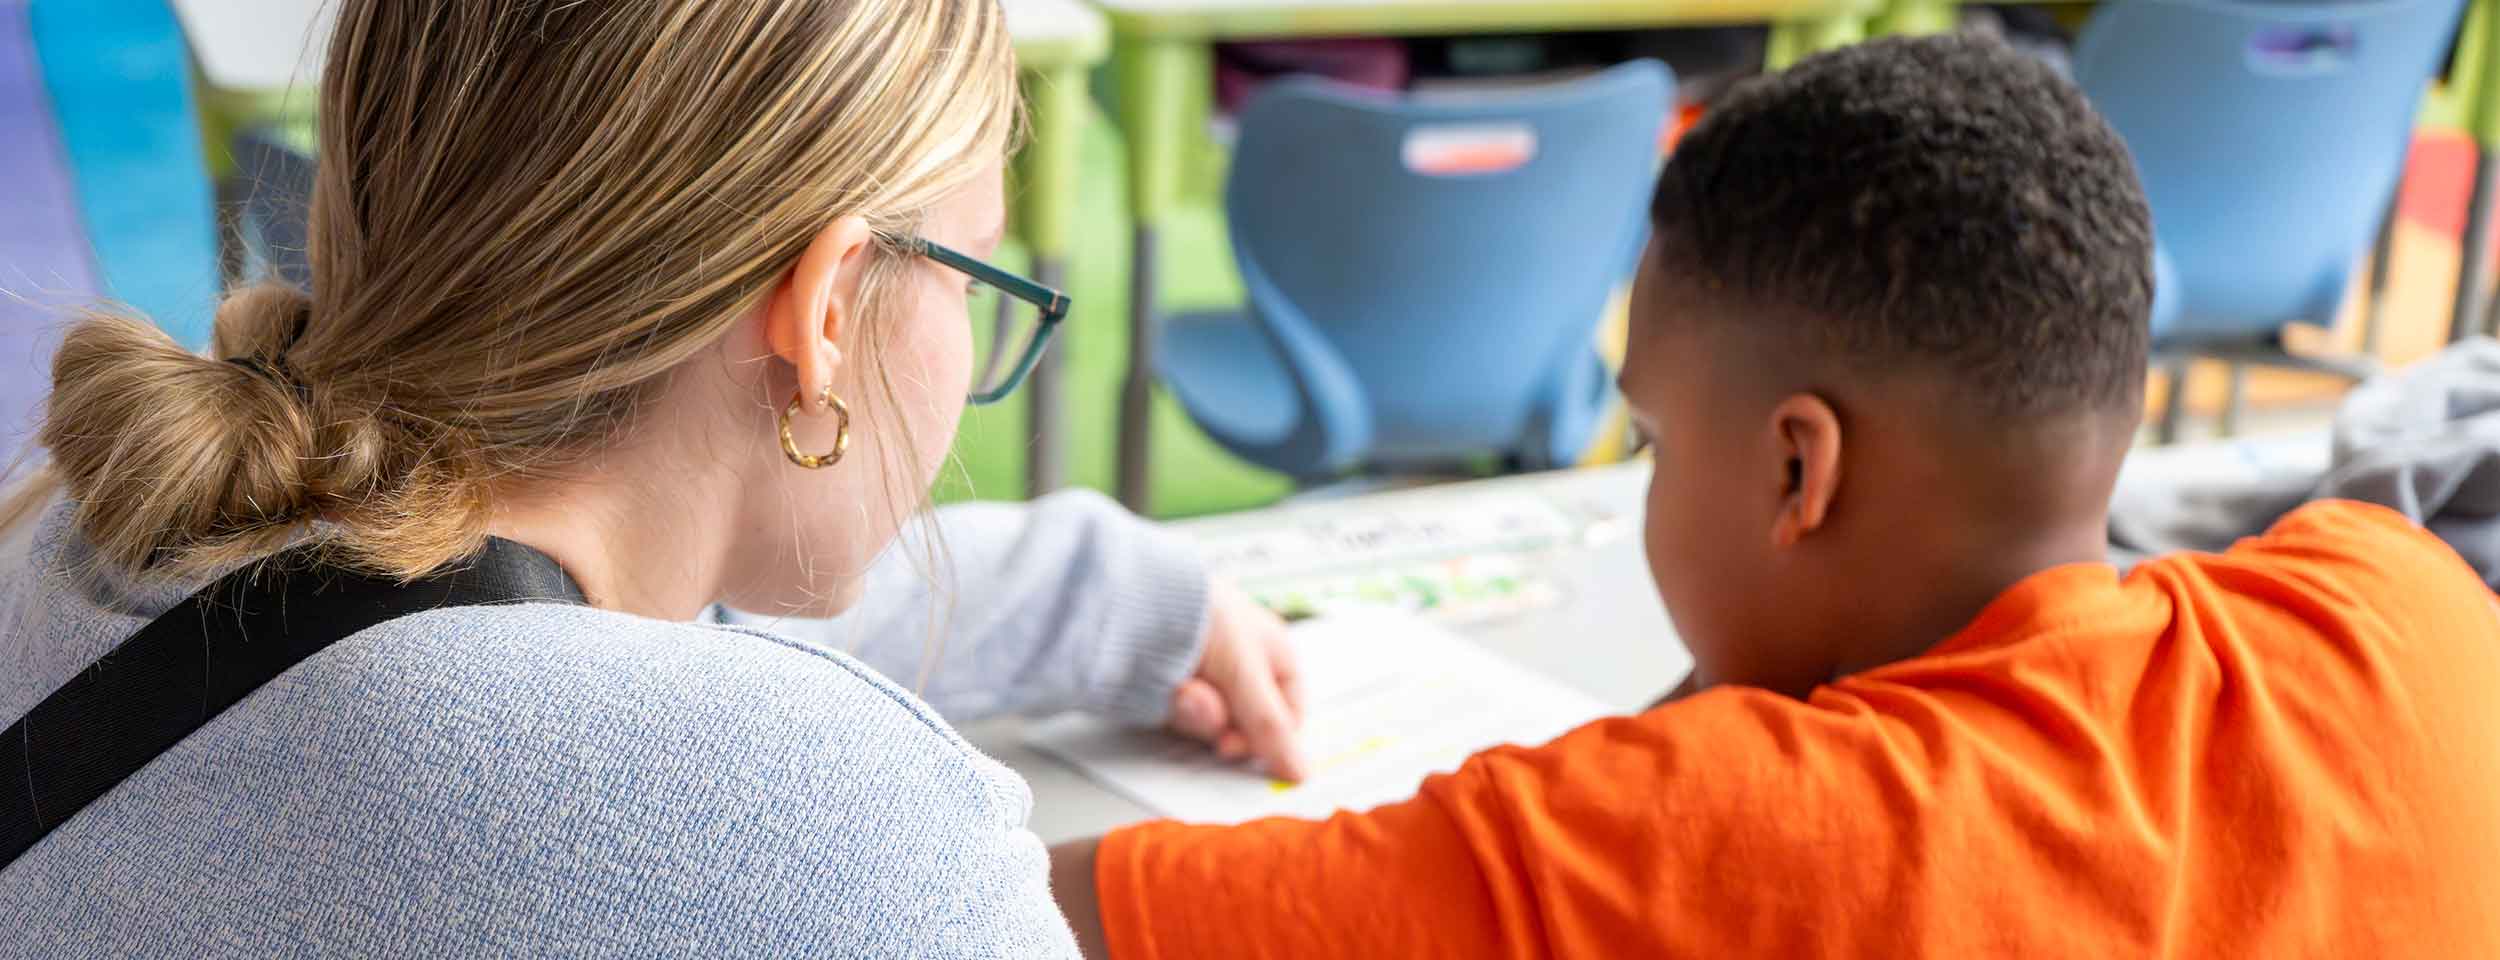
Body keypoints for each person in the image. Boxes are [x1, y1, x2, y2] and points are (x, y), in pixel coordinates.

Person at [1051, 34, 2500, 957]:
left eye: (1660, 439)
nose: (1654, 481)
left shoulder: (1685, 840)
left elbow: (1015, 915)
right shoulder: (2405, 604)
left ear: (1799, 469)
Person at [0, 1, 1306, 955]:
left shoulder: (93, 530)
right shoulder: (843, 829)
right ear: (828, 313)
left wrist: (1117, 591)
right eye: (973, 271)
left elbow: (562, 656)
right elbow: (649, 741)